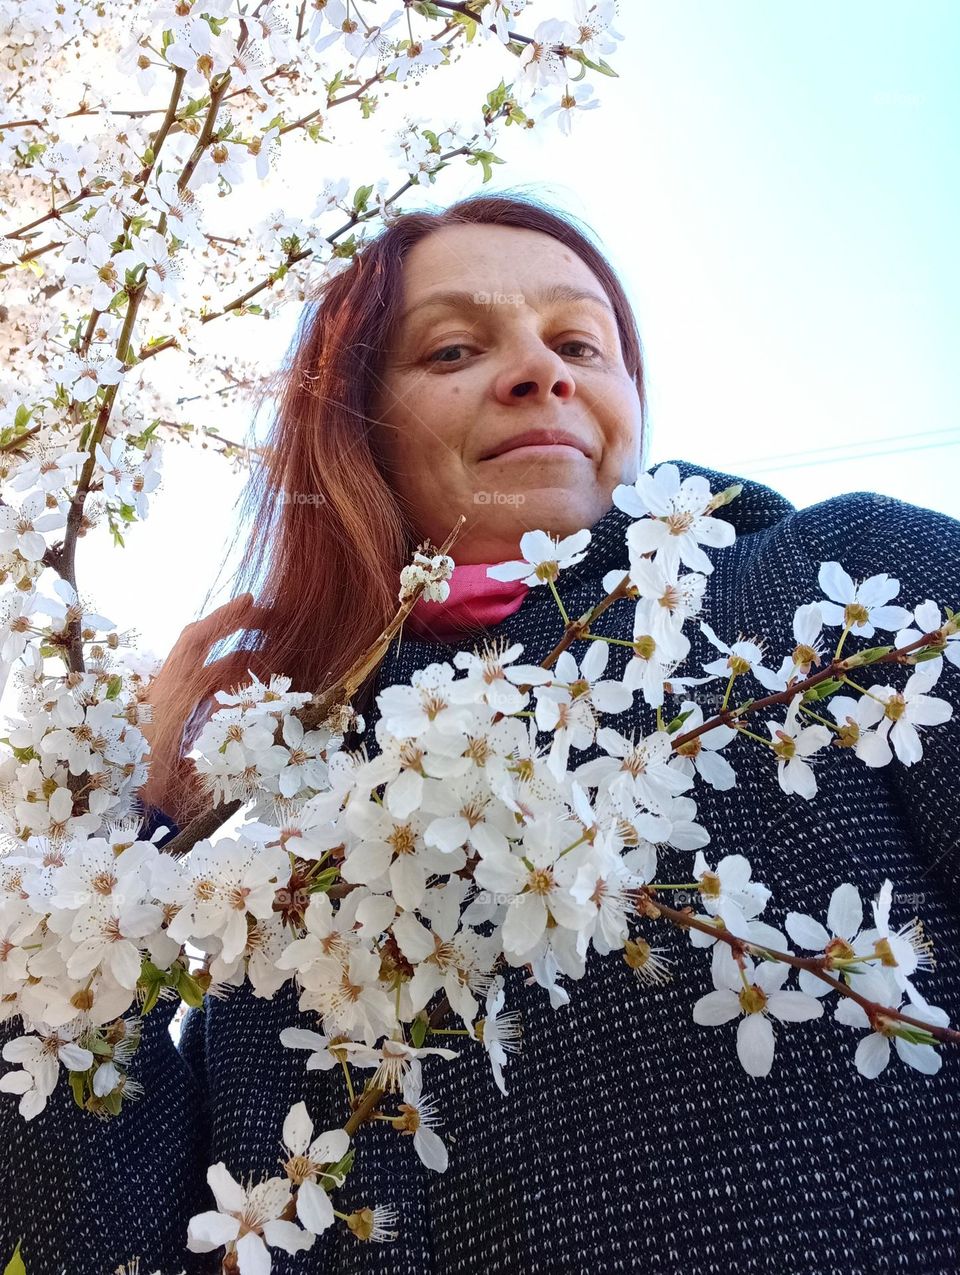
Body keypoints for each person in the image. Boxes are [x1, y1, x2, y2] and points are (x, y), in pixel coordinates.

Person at [2, 191, 959, 1275]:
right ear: (354, 422)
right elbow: (91, 1245)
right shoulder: (281, 860)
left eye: (579, 342)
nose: (540, 373)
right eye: (455, 347)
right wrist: (134, 823)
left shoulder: (852, 593)